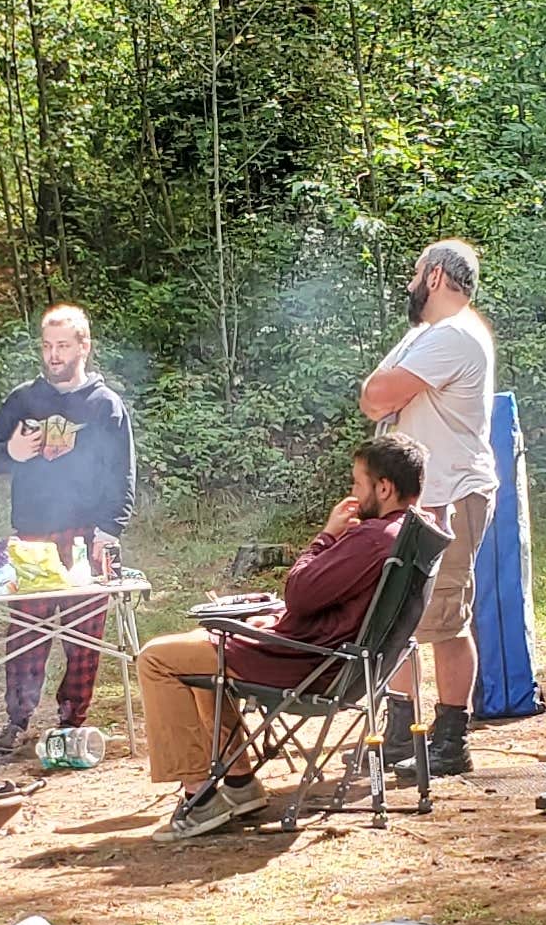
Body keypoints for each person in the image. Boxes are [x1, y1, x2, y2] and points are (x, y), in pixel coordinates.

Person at [136, 435, 428, 840]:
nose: (352, 492)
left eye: (357, 483)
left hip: (303, 663)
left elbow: (300, 592)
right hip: (330, 660)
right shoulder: (411, 533)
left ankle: (199, 797)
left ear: (383, 488)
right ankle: (240, 782)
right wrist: (274, 621)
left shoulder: (372, 538)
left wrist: (327, 535)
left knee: (156, 658)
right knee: (199, 647)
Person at [356, 239, 499, 776]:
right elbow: (374, 398)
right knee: (398, 615)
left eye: (416, 273)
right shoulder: (425, 334)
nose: (410, 283)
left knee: (444, 619)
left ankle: (451, 741)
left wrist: (388, 392)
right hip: (422, 497)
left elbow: (379, 395)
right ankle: (401, 734)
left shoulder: (455, 334)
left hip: (450, 496)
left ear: (435, 276)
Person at [0, 303, 136, 758]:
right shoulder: (23, 400)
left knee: (84, 638)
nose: (53, 355)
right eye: (47, 346)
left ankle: (71, 722)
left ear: (84, 347)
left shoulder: (105, 405)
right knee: (25, 634)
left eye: (63, 346)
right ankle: (17, 720)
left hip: (86, 536)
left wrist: (110, 529)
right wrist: (13, 452)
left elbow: (122, 473)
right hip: (32, 536)